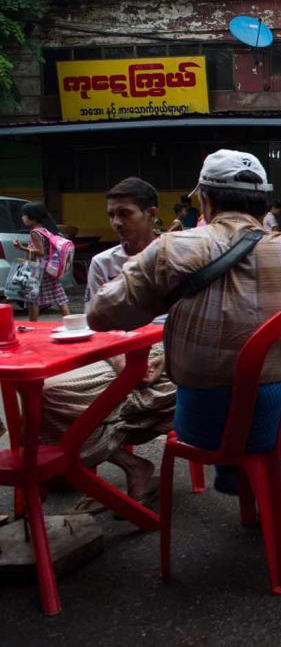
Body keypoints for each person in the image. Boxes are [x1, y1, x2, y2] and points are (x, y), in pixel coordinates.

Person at [88, 150, 281, 505]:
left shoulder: (172, 248)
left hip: (206, 423)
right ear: (263, 202)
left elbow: (100, 314)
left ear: (205, 198)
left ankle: (237, 477)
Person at [41, 177, 176, 513]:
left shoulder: (178, 255)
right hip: (114, 351)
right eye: (111, 214)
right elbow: (95, 320)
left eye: (125, 213)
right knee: (47, 391)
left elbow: (190, 318)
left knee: (113, 398)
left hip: (164, 348)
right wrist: (118, 358)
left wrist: (169, 354)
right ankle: (130, 466)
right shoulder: (103, 263)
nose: (116, 222)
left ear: (151, 213)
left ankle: (77, 464)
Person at [12, 202, 71, 322]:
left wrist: (20, 247)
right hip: (49, 267)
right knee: (59, 296)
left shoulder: (35, 232)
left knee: (32, 297)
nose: (22, 218)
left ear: (32, 217)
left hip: (38, 269)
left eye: (24, 215)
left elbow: (40, 252)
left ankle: (33, 324)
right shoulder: (45, 230)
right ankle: (70, 321)